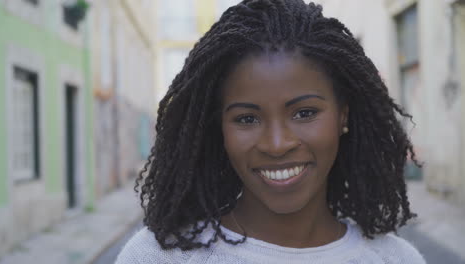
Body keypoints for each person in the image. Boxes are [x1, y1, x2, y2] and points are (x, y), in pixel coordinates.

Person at [116, 0, 426, 263]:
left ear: (343, 116)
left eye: (305, 113)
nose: (277, 145)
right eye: (247, 119)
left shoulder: (397, 259)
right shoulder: (156, 257)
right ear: (218, 129)